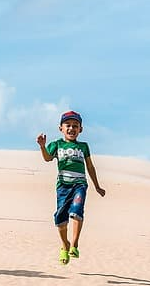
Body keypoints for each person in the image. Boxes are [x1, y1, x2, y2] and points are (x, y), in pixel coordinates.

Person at [36, 110, 106, 265]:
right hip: (62, 187)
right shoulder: (57, 144)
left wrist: (97, 186)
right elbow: (48, 158)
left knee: (76, 211)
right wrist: (42, 146)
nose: (71, 128)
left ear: (80, 129)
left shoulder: (83, 146)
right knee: (61, 219)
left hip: (80, 184)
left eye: (75, 126)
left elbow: (90, 166)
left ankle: (74, 244)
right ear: (60, 127)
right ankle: (64, 245)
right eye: (68, 125)